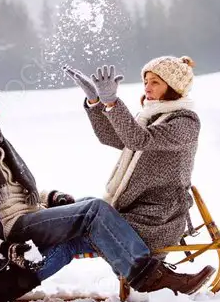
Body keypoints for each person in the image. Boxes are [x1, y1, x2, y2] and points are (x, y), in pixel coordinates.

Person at [0, 83, 213, 302]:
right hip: (8, 235)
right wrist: (5, 249)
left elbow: (13, 191)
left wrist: (50, 197)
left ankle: (133, 267)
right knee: (93, 211)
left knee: (87, 205)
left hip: (23, 217)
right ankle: (150, 277)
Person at [63, 55, 205, 255]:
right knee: (80, 209)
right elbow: (113, 137)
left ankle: (25, 274)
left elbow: (139, 140)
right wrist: (95, 102)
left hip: (158, 218)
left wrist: (112, 103)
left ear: (173, 87)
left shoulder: (185, 122)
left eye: (155, 82)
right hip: (133, 208)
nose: (147, 87)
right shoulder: (150, 116)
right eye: (146, 81)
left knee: (82, 225)